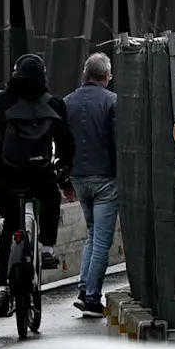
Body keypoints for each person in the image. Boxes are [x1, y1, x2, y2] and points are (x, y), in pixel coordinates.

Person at [0, 52, 75, 319]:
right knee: (50, 199)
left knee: (9, 226)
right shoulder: (53, 103)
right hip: (39, 174)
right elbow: (66, 141)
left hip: (7, 177)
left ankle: (2, 287)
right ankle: (46, 248)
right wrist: (64, 166)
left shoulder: (3, 101)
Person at [65, 51, 120, 317]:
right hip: (106, 178)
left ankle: (83, 287)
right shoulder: (112, 102)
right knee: (101, 241)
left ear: (85, 75)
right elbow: (117, 140)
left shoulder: (67, 102)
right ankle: (92, 298)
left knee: (92, 233)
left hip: (78, 177)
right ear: (107, 76)